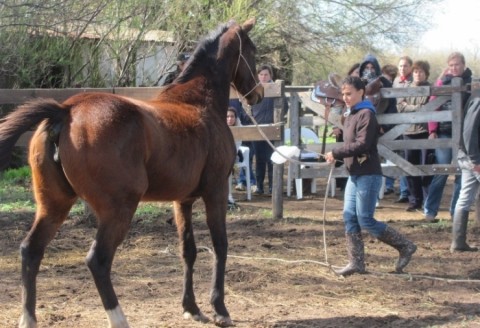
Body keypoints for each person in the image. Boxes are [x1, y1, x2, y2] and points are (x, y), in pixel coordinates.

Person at [325, 76, 416, 276]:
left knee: (365, 219)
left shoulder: (367, 114)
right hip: (355, 174)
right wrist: (338, 152)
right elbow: (352, 143)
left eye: (349, 93)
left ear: (361, 92)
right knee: (350, 216)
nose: (345, 97)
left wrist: (337, 152)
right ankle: (356, 263)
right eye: (343, 94)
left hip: (368, 174)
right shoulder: (351, 115)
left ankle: (405, 245)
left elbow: (363, 144)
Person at [424, 52, 473, 222]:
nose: (454, 68)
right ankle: (430, 211)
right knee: (441, 170)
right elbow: (432, 106)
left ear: (464, 65)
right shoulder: (442, 83)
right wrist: (432, 130)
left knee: (462, 173)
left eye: (457, 65)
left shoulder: (472, 83)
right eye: (451, 65)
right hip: (444, 131)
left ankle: (455, 212)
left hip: (466, 134)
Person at [397, 60, 431, 212]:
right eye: (416, 71)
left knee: (425, 168)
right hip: (408, 132)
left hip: (424, 132)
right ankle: (414, 200)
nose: (418, 74)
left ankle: (426, 201)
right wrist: (418, 108)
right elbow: (400, 106)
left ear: (426, 74)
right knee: (409, 168)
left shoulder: (431, 89)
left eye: (421, 72)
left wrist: (412, 108)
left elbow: (430, 108)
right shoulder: (405, 88)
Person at [450, 96, 480, 252]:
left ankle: (458, 242)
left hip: (470, 157)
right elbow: (469, 132)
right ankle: (458, 242)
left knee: (465, 198)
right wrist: (476, 161)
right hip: (474, 158)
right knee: (465, 198)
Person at [244, 64, 276, 195]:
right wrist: (251, 119)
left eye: (266, 74)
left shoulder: (275, 88)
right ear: (258, 76)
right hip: (258, 128)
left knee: (272, 159)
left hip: (273, 129)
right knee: (260, 159)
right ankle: (260, 186)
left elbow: (284, 105)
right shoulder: (254, 90)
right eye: (261, 74)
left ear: (270, 76)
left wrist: (275, 119)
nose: (263, 77)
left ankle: (273, 187)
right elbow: (247, 107)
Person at [391, 56, 414, 201]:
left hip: (411, 124)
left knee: (409, 160)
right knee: (399, 158)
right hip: (396, 123)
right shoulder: (396, 82)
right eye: (400, 66)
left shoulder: (414, 81)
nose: (402, 68)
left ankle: (410, 192)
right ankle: (404, 191)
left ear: (410, 67)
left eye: (405, 66)